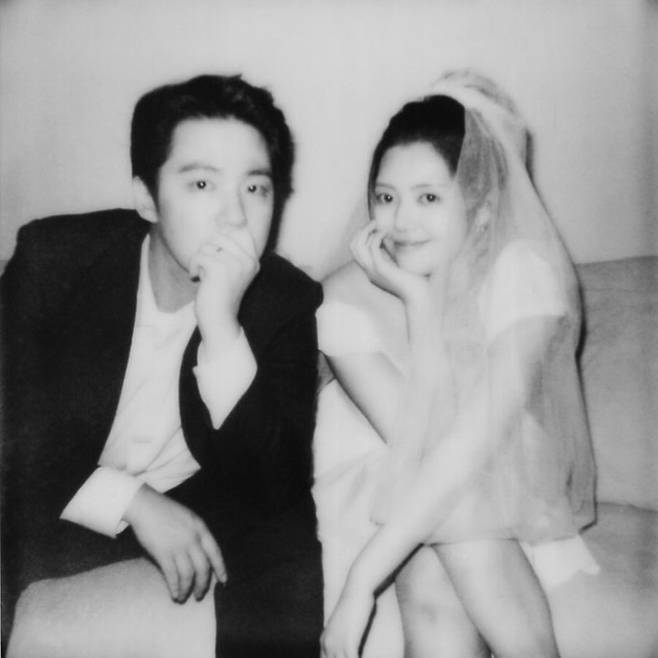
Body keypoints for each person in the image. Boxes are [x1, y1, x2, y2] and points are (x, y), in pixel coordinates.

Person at [1, 73, 324, 657]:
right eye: (202, 183)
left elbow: (276, 486)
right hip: (52, 504)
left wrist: (222, 330)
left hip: (194, 518)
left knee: (287, 551)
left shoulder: (286, 301)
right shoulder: (57, 259)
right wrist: (129, 500)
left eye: (256, 188)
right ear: (148, 198)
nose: (234, 216)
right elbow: (11, 430)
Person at [317, 70, 598, 658]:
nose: (399, 221)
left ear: (483, 206)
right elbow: (419, 448)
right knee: (447, 542)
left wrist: (362, 583)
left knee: (453, 533)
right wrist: (420, 305)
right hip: (380, 474)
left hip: (491, 472)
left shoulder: (523, 274)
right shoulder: (343, 297)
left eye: (428, 197)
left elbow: (463, 452)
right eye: (386, 197)